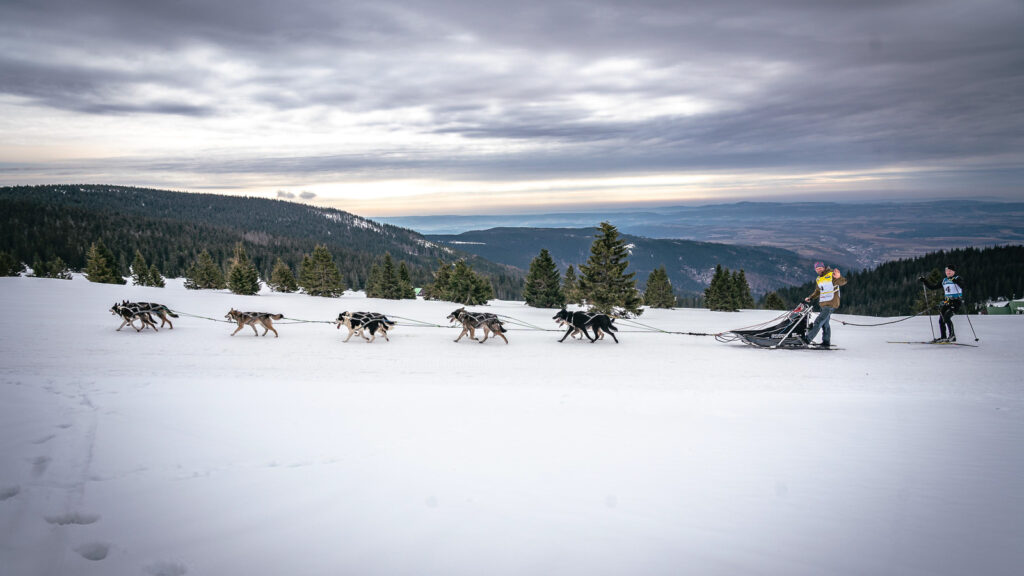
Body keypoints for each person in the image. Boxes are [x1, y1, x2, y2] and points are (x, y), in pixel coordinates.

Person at [803, 262, 847, 348]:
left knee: (818, 321)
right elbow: (818, 291)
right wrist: (810, 297)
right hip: (823, 304)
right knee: (825, 323)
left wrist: (839, 277)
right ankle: (826, 342)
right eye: (817, 268)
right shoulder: (819, 279)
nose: (819, 269)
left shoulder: (831, 274)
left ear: (824, 268)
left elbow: (842, 282)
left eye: (820, 267)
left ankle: (807, 340)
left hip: (831, 303)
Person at [919, 266, 964, 342]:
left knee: (947, 317)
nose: (948, 272)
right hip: (947, 302)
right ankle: (943, 337)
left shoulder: (957, 278)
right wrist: (925, 281)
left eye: (950, 271)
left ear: (954, 272)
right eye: (946, 271)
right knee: (941, 320)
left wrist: (957, 282)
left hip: (956, 302)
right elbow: (932, 287)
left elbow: (963, 286)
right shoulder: (944, 280)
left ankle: (952, 336)